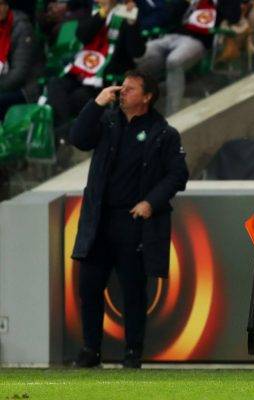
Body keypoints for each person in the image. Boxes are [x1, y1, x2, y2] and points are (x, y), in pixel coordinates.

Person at [69, 69, 189, 369]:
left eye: (131, 89)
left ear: (147, 97)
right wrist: (96, 103)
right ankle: (90, 349)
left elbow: (178, 174)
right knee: (89, 286)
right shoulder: (107, 121)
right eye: (122, 87)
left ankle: (133, 351)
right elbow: (79, 138)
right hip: (99, 217)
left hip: (134, 222)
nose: (122, 92)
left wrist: (151, 202)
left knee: (133, 290)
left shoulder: (163, 133)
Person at [47, 0, 145, 140]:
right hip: (82, 70)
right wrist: (102, 13)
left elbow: (137, 52)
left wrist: (131, 24)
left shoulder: (126, 14)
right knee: (55, 84)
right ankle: (68, 131)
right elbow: (82, 36)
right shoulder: (93, 11)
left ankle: (68, 135)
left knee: (78, 97)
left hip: (106, 77)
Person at [135, 0, 239, 115]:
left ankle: (173, 113)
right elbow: (169, 17)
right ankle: (140, 114)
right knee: (139, 58)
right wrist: (184, 3)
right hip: (171, 35)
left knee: (174, 61)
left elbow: (234, 17)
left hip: (198, 40)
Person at [0, 0, 43, 118]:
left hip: (25, 89)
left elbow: (19, 75)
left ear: (7, 6)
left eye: (1, 4)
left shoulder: (22, 28)